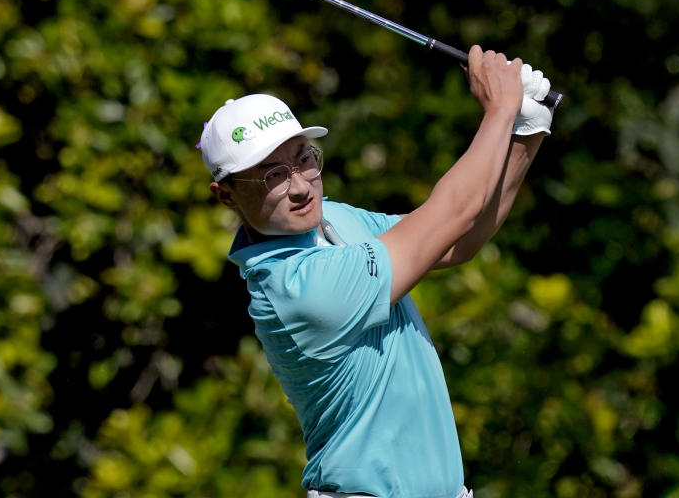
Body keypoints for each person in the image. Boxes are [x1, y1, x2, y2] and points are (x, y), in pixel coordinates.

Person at [199, 46, 554, 498]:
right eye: (271, 175)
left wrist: (526, 129)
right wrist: (499, 111)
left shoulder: (334, 220)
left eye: (303, 158)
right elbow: (454, 213)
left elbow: (455, 240)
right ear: (226, 195)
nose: (300, 186)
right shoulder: (298, 288)